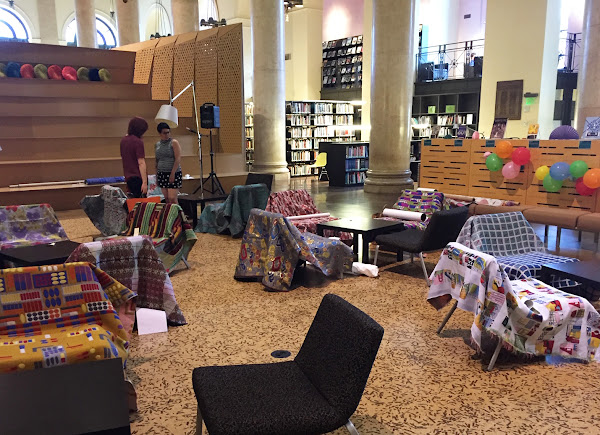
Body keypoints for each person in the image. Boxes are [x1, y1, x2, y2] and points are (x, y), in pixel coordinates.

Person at [120, 117, 149, 198]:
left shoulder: (123, 140)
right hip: (137, 177)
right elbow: (141, 162)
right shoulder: (138, 142)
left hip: (128, 177)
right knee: (141, 204)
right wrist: (144, 182)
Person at [155, 122, 182, 203]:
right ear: (160, 133)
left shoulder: (174, 142)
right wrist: (156, 175)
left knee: (172, 198)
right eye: (164, 133)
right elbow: (157, 160)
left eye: (168, 132)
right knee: (166, 198)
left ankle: (179, 215)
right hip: (162, 173)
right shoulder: (157, 145)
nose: (167, 135)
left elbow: (178, 158)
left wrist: (172, 173)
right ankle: (170, 215)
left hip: (173, 172)